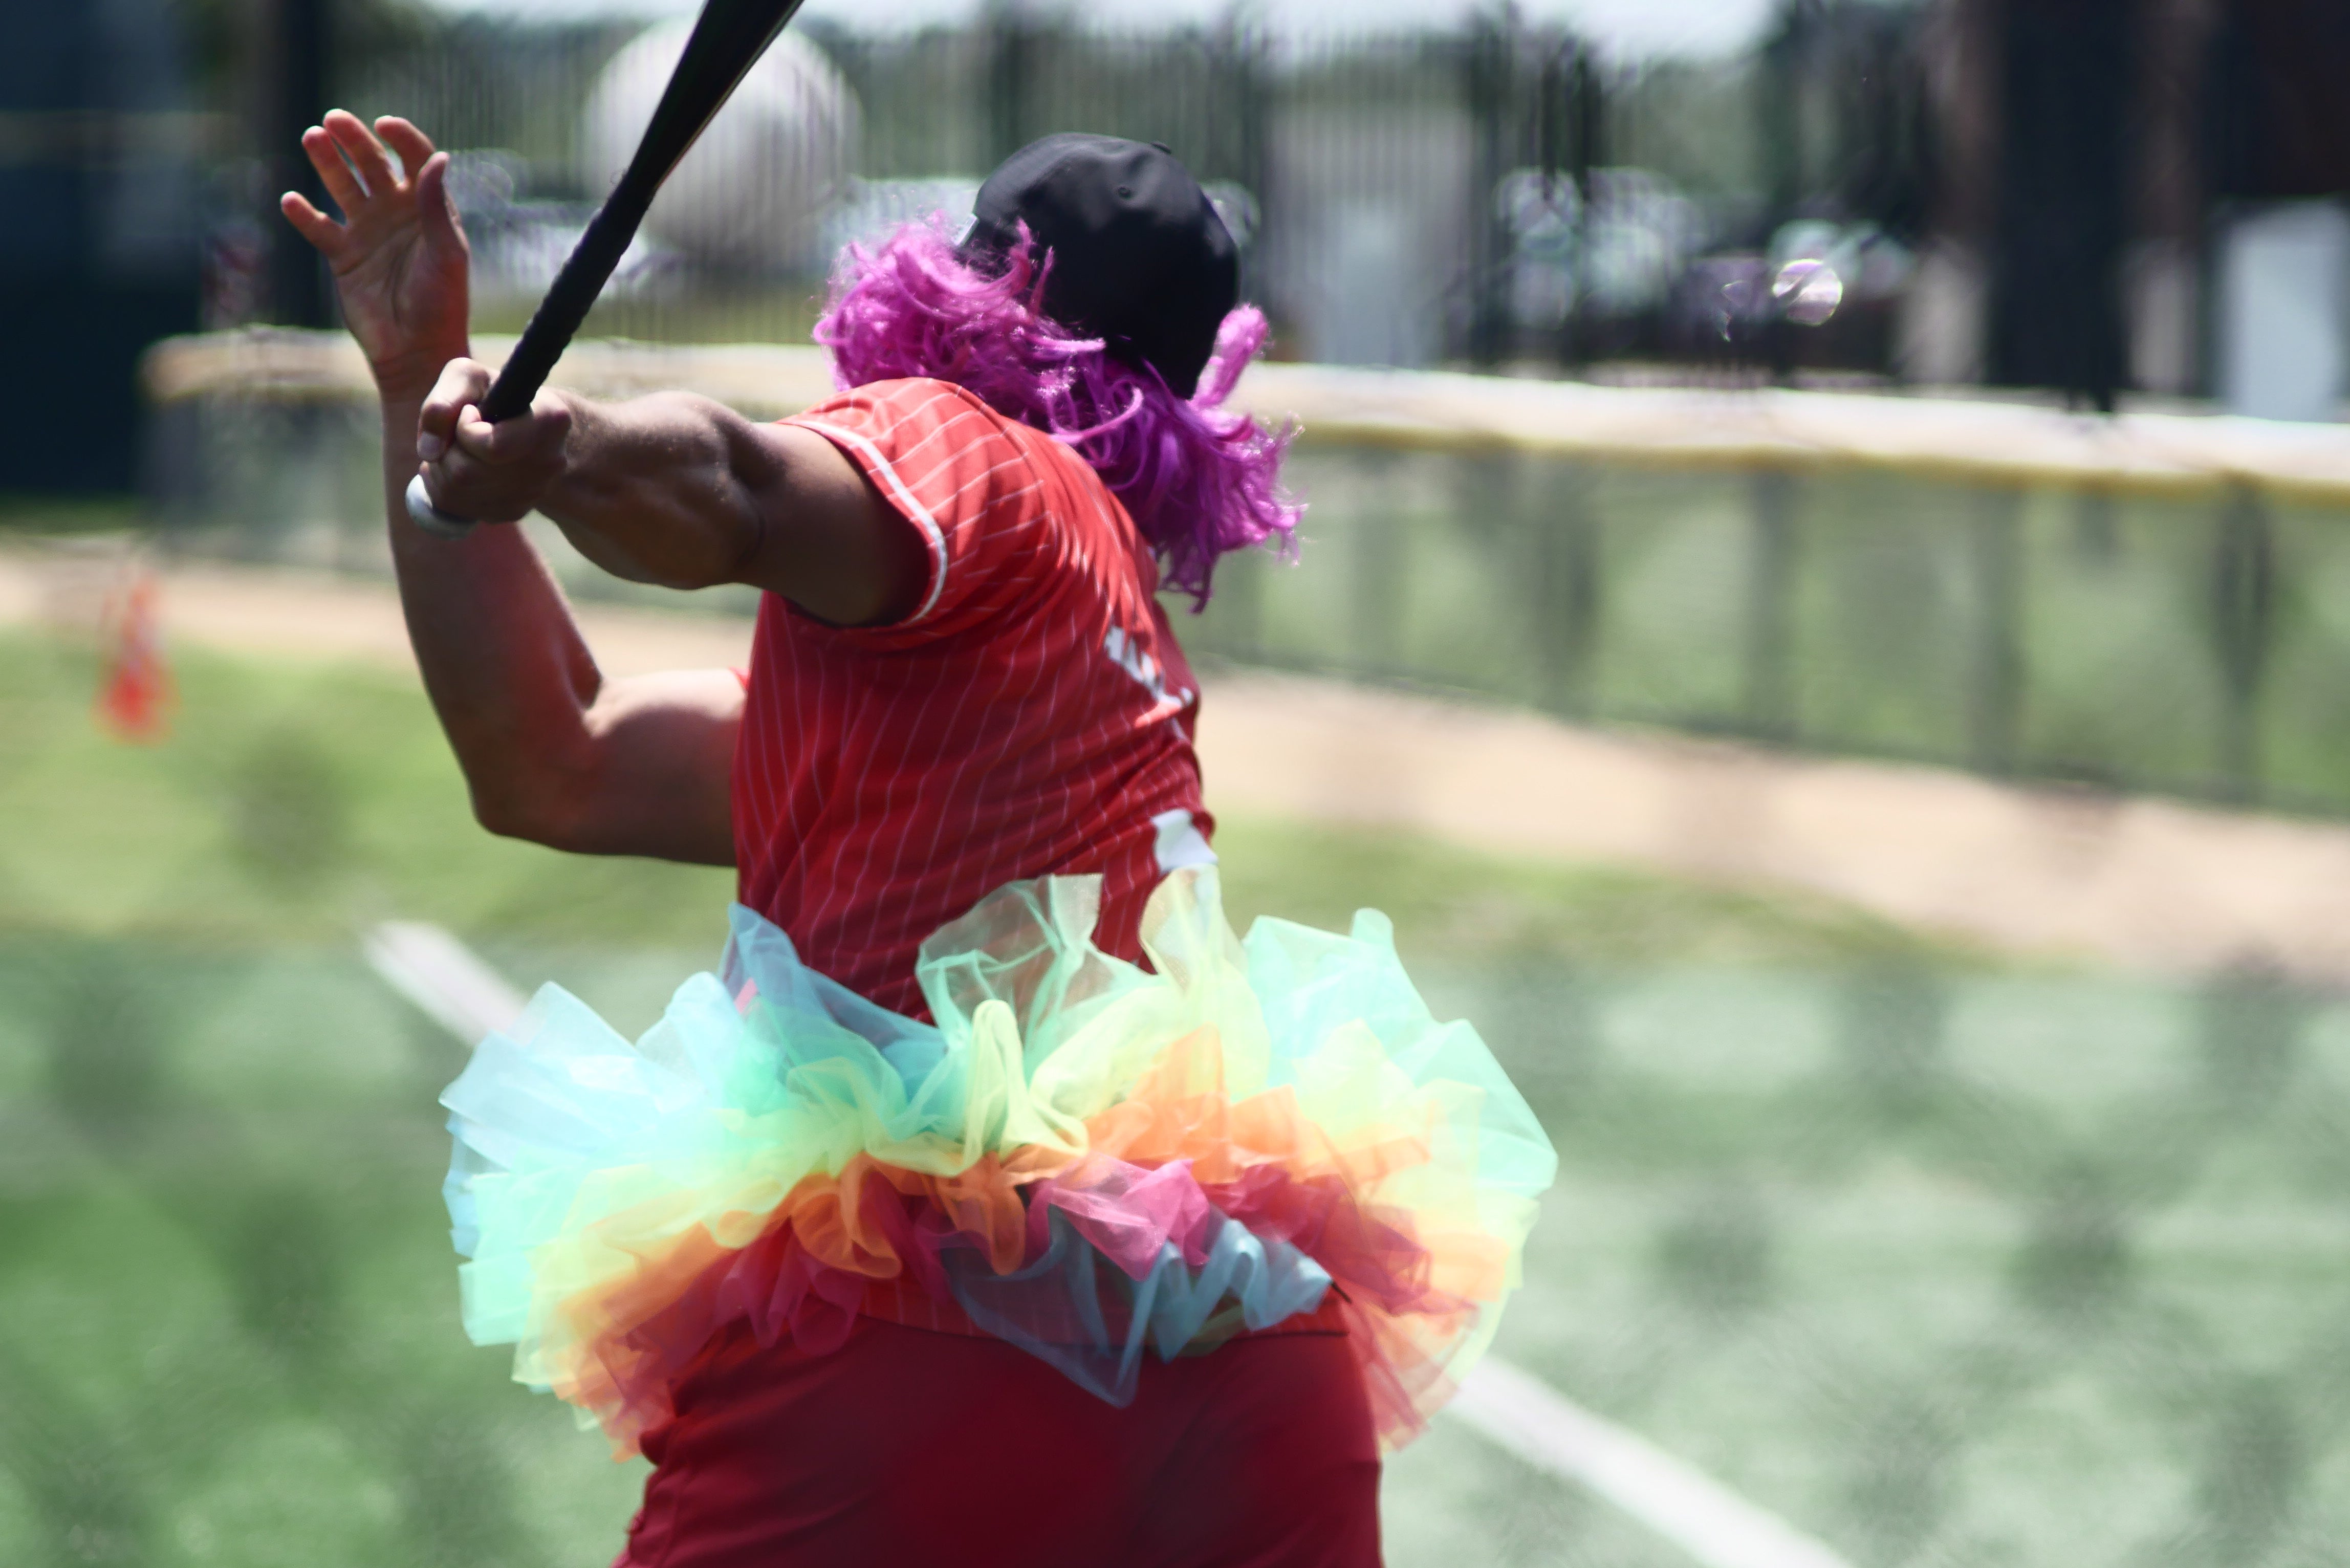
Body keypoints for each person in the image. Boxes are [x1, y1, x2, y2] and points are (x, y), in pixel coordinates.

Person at [286, 110, 1554, 1568]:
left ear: (951, 300)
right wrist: (417, 404)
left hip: (936, 1340)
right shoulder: (1074, 626)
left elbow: (743, 488)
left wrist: (559, 448)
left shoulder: (967, 450)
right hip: (1244, 1348)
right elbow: (554, 766)